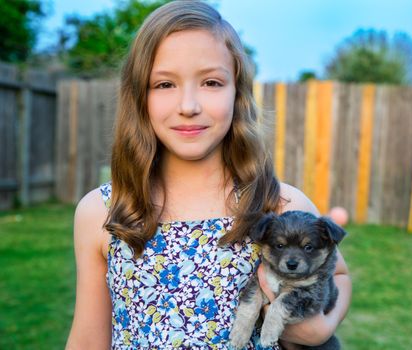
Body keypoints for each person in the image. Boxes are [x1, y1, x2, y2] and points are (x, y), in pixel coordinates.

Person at [66, 1, 351, 349]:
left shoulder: (278, 204)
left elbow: (338, 274)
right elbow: (87, 339)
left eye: (211, 82)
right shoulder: (103, 211)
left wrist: (321, 329)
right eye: (164, 84)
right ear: (139, 96)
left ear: (238, 92)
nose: (188, 105)